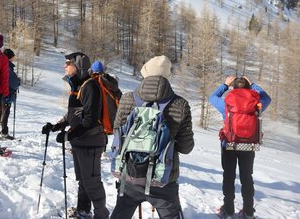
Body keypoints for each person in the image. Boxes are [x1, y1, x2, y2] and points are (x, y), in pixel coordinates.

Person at [110, 55, 194, 219]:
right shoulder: (180, 104)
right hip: (163, 177)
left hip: (130, 174)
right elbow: (186, 147)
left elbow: (117, 133)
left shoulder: (127, 99)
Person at [41, 52, 109, 219]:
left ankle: (102, 216)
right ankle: (83, 211)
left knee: (92, 183)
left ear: (78, 65)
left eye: (67, 63)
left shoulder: (90, 86)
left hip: (91, 142)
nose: (64, 66)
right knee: (84, 181)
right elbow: (73, 114)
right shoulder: (77, 86)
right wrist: (56, 126)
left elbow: (90, 119)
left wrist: (68, 136)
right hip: (81, 141)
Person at [209, 76, 271, 219]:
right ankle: (248, 212)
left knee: (229, 177)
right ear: (249, 87)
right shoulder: (257, 103)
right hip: (249, 145)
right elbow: (267, 98)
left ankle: (228, 211)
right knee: (247, 178)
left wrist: (225, 85)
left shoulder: (227, 102)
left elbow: (213, 97)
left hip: (229, 144)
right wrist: (253, 84)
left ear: (233, 87)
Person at [0, 48, 21, 140]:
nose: (13, 59)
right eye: (12, 57)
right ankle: (2, 132)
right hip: (6, 95)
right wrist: (18, 81)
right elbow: (14, 82)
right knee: (4, 113)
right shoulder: (7, 66)